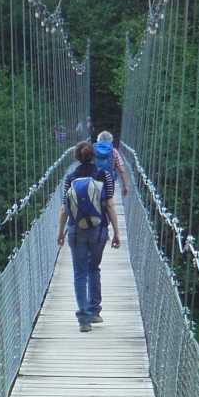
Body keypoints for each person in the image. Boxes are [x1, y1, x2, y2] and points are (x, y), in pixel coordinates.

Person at [57, 141, 120, 332]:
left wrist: (60, 233)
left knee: (79, 273)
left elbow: (64, 209)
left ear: (76, 157)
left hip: (76, 230)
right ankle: (94, 311)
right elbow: (109, 205)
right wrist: (117, 232)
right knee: (94, 268)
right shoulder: (105, 175)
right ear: (94, 156)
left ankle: (84, 319)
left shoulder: (70, 177)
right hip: (98, 230)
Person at [95, 130, 131, 199]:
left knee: (95, 201)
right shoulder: (114, 151)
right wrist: (125, 185)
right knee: (109, 201)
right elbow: (122, 170)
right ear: (111, 141)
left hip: (94, 180)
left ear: (98, 140)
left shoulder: (93, 150)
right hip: (109, 180)